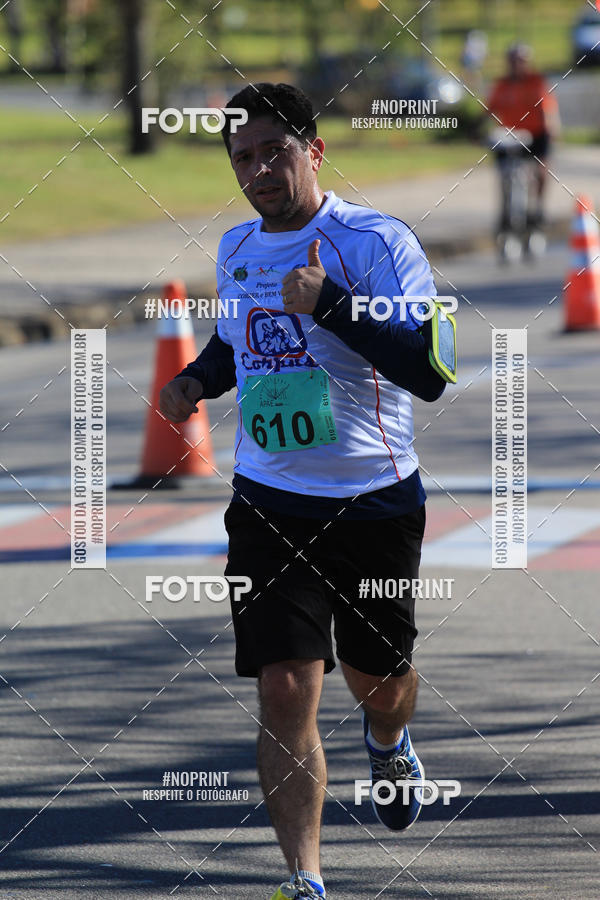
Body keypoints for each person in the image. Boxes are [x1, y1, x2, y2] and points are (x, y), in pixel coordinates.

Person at [159, 82, 448, 900]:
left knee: (380, 683)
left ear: (313, 150)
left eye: (274, 152)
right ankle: (304, 879)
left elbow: (428, 371)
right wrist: (196, 380)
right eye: (242, 159)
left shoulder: (376, 241)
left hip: (374, 500)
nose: (258, 172)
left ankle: (388, 740)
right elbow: (238, 341)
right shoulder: (238, 249)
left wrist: (336, 307)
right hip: (268, 500)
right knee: (285, 687)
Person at [487, 43, 560, 230]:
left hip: (536, 134)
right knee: (503, 172)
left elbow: (548, 110)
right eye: (513, 61)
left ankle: (537, 208)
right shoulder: (502, 84)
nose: (517, 65)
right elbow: (489, 109)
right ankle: (505, 212)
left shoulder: (536, 82)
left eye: (521, 61)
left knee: (541, 169)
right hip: (510, 136)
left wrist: (551, 130)